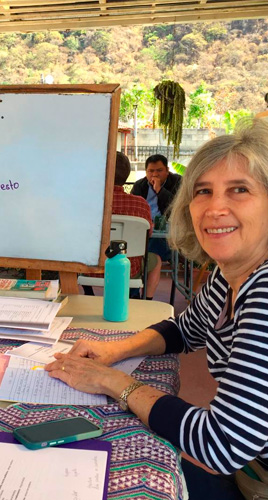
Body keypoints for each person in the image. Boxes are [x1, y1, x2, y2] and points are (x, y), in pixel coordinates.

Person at [46, 118, 268, 499]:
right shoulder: (228, 275)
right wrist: (114, 351)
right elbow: (184, 330)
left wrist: (110, 381)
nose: (215, 208)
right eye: (203, 191)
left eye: (239, 190)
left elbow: (220, 443)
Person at [82, 151, 162, 299]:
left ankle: (87, 294)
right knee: (156, 260)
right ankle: (147, 300)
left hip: (90, 267)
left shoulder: (88, 203)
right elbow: (148, 234)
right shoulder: (141, 204)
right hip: (129, 269)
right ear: (126, 176)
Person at [131, 154, 182, 261]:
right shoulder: (140, 185)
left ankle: (149, 263)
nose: (155, 174)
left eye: (159, 170)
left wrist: (159, 189)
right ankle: (151, 262)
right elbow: (134, 208)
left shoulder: (177, 182)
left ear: (167, 171)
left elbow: (176, 206)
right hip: (145, 225)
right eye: (151, 171)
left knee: (156, 241)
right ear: (146, 172)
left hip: (168, 227)